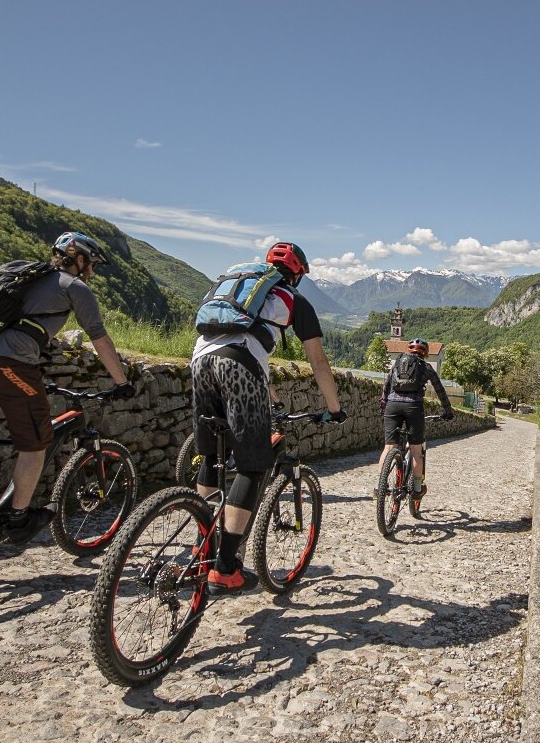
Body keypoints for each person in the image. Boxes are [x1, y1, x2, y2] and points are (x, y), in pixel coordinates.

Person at [0, 231, 134, 542]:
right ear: (81, 259)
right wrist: (121, 382)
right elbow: (99, 337)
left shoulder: (25, 275)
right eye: (92, 263)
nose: (92, 270)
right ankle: (17, 518)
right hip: (9, 364)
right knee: (35, 443)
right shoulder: (75, 287)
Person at [190, 240, 345, 592]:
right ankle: (225, 567)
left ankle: (202, 546)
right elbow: (318, 364)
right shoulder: (293, 299)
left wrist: (270, 394)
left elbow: (245, 350)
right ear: (298, 274)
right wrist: (335, 409)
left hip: (200, 360)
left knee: (211, 456)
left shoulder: (241, 287)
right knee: (251, 465)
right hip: (238, 365)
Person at [379, 338, 453, 499]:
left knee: (388, 447)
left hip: (392, 406)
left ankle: (380, 487)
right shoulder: (426, 367)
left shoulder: (397, 364)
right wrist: (448, 411)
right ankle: (417, 490)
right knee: (416, 450)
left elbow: (386, 386)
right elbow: (440, 390)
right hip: (413, 407)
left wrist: (384, 407)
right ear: (424, 353)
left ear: (409, 351)